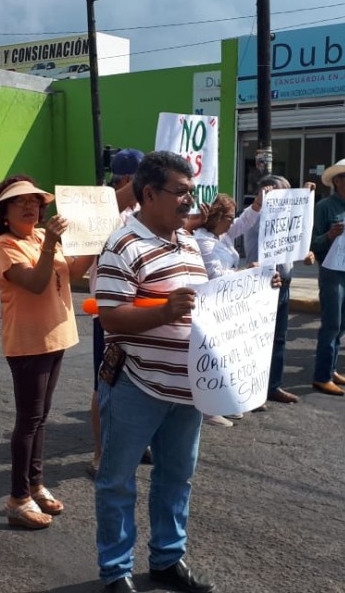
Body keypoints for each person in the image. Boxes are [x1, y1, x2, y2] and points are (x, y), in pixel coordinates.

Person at [94, 151, 215, 593]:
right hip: (137, 384)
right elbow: (111, 317)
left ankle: (167, 558)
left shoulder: (186, 240)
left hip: (187, 388)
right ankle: (115, 571)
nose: (189, 200)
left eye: (191, 191)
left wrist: (256, 285)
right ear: (149, 194)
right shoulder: (123, 245)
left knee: (175, 478)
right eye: (181, 191)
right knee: (117, 482)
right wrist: (164, 311)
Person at [0, 175, 95, 529]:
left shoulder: (39, 237)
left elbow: (71, 273)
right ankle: (18, 498)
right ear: (4, 213)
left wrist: (94, 241)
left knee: (41, 418)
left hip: (55, 336)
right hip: (28, 342)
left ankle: (35, 484)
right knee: (29, 420)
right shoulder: (5, 246)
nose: (31, 207)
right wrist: (50, 241)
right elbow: (34, 284)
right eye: (21, 203)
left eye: (35, 202)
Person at [89, 148, 146, 477]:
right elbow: (108, 209)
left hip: (142, 309)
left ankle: (138, 442)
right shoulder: (103, 205)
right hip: (110, 311)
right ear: (129, 179)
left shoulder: (142, 208)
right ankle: (99, 453)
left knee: (139, 378)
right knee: (106, 383)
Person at [244, 175, 316, 409]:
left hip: (283, 283)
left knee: (279, 339)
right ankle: (253, 392)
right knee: (259, 342)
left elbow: (290, 243)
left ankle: (272, 386)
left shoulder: (284, 218)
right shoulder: (254, 217)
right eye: (281, 194)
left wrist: (303, 252)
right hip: (263, 284)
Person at [193, 191, 262, 426]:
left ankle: (223, 400)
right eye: (229, 217)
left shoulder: (222, 236)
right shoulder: (204, 240)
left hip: (227, 304)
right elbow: (215, 275)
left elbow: (244, 222)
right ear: (218, 217)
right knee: (211, 356)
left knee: (225, 356)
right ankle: (208, 408)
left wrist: (257, 205)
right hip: (209, 304)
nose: (233, 221)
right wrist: (244, 273)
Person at [310, 158, 345, 396]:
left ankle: (330, 369)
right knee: (331, 324)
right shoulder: (324, 207)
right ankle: (322, 376)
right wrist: (329, 235)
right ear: (337, 181)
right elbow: (312, 244)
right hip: (332, 271)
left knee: (341, 324)